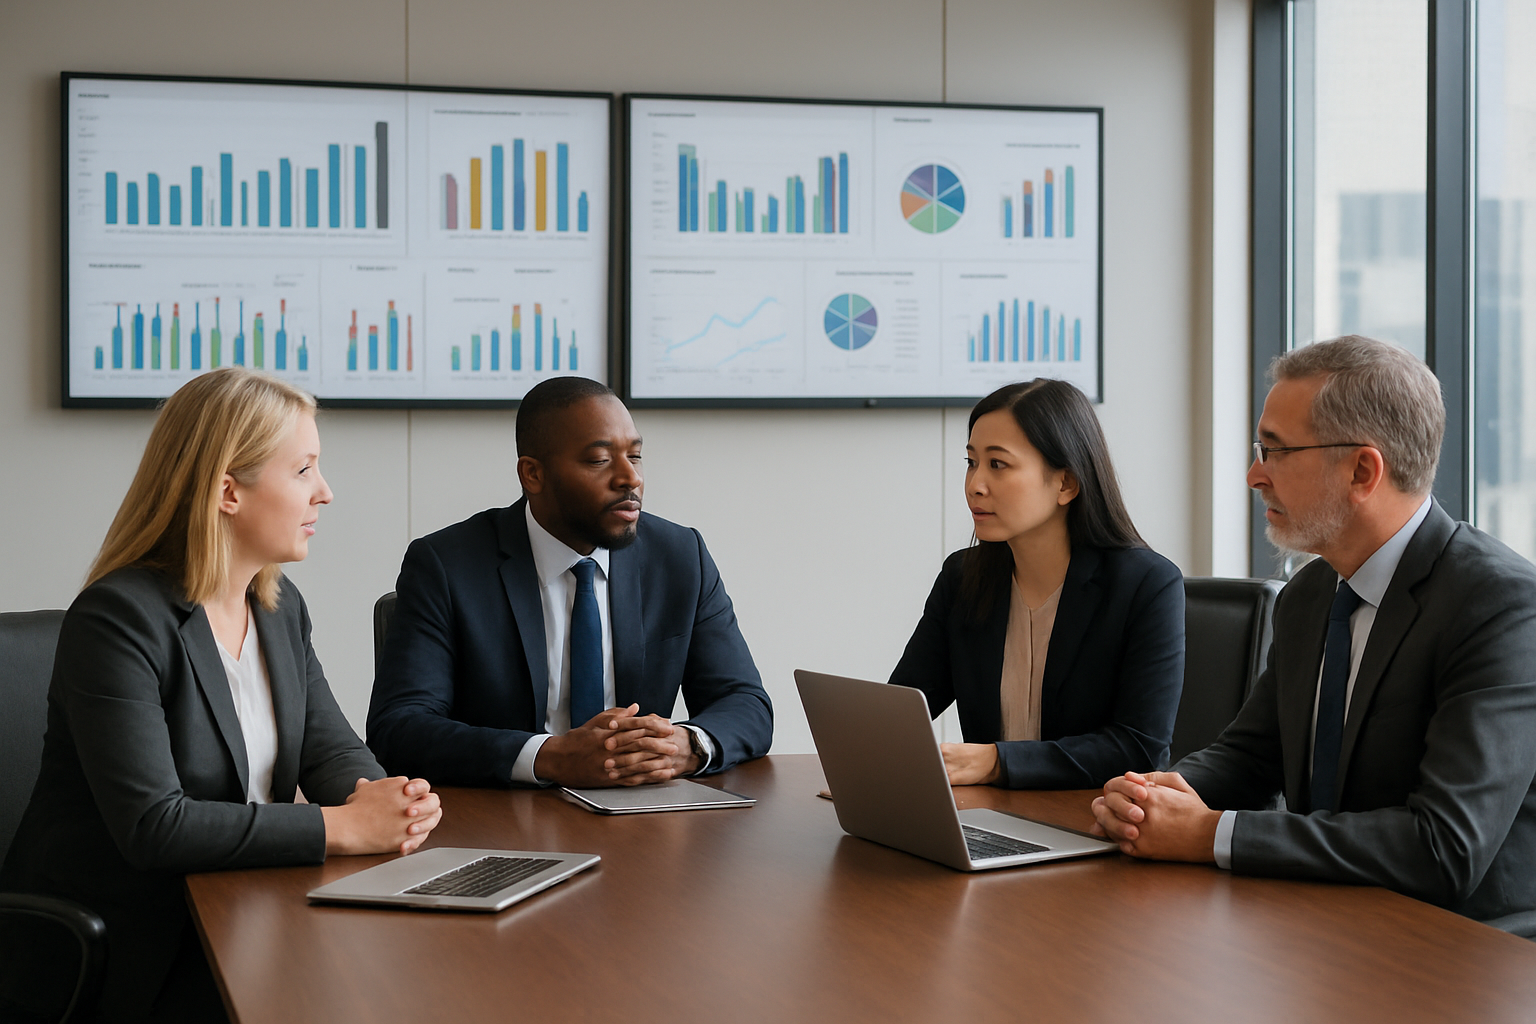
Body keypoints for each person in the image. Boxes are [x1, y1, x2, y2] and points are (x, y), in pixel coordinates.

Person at [0, 369, 443, 1023]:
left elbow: (330, 752)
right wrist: (343, 826)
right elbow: (156, 826)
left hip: (242, 906)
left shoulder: (278, 607)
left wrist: (387, 800)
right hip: (131, 946)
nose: (325, 492)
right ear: (228, 490)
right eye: (303, 470)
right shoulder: (117, 620)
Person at [1090, 335, 1536, 935]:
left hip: (1462, 945)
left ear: (1362, 471)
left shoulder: (1502, 605)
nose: (1254, 475)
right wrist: (1154, 797)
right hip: (1323, 920)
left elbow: (1443, 846)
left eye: (1275, 451)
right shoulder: (1310, 593)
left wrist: (1210, 833)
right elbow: (1252, 756)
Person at [366, 376, 772, 789]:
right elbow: (399, 727)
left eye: (635, 456)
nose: (629, 478)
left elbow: (746, 703)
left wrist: (687, 745)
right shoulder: (447, 565)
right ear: (533, 474)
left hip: (640, 809)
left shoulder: (680, 556)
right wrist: (550, 757)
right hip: (503, 809)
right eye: (599, 460)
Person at [888, 378, 1185, 789]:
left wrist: (997, 762)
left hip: (1092, 813)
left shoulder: (1146, 585)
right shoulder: (962, 578)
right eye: (971, 462)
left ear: (1066, 483)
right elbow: (902, 711)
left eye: (997, 464)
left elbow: (1139, 748)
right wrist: (865, 754)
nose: (974, 485)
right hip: (987, 816)